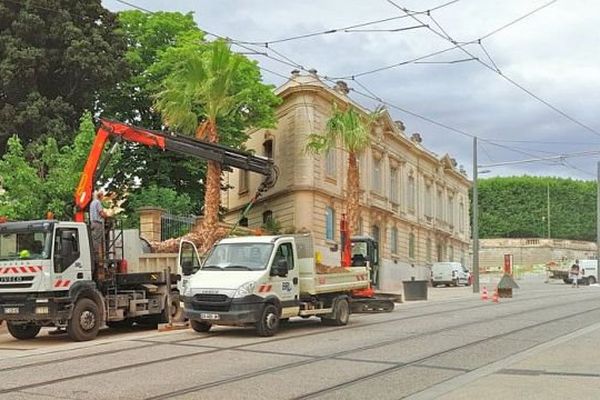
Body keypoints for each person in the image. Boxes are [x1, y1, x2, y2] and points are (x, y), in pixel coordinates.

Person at [90, 190, 108, 262]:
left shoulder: (92, 203)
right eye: (102, 195)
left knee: (94, 238)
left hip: (92, 223)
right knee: (97, 240)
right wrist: (107, 216)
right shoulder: (98, 202)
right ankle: (96, 257)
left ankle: (95, 254)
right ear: (100, 196)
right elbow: (101, 213)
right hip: (98, 223)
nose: (103, 197)